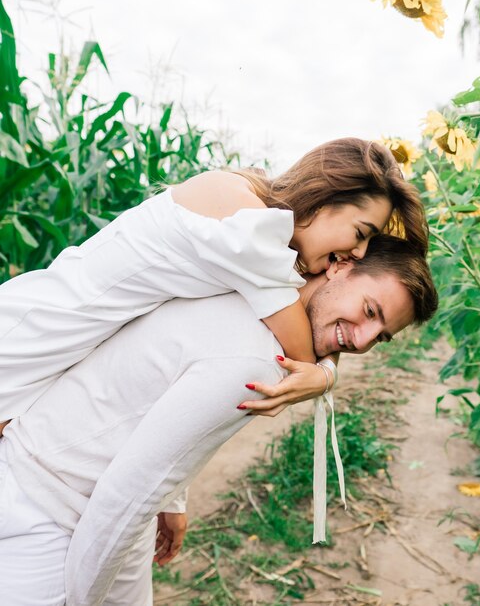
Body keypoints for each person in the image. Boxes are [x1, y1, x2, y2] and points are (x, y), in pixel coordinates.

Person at [0, 235, 438, 606]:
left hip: (69, 479)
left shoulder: (246, 282)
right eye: (370, 311)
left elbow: (163, 397)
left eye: (380, 337)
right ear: (341, 265)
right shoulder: (258, 362)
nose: (361, 339)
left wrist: (172, 500)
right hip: (53, 512)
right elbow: (122, 501)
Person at [0, 137, 428, 426]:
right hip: (28, 338)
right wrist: (325, 377)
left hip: (53, 353)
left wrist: (327, 370)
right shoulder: (244, 217)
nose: (356, 255)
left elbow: (319, 328)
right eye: (361, 233)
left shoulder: (254, 235)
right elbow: (303, 344)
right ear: (327, 198)